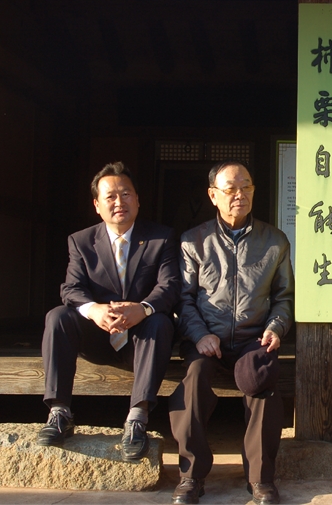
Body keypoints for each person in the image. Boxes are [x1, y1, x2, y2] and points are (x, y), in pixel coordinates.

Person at [169, 161, 294, 505]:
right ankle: (191, 476)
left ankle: (260, 479)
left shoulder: (275, 241)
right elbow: (183, 300)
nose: (240, 195)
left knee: (263, 383)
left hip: (254, 338)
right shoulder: (193, 241)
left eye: (247, 187)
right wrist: (199, 334)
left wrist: (275, 327)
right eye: (231, 189)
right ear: (213, 195)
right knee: (193, 381)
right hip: (206, 339)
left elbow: (284, 298)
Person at [38, 161, 180, 461]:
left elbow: (169, 286)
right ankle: (59, 412)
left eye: (126, 194)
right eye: (111, 197)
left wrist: (143, 309)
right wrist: (95, 311)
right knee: (57, 317)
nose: (119, 202)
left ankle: (137, 419)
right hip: (98, 338)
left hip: (142, 340)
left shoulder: (161, 237)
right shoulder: (81, 241)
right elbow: (71, 288)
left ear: (137, 199)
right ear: (97, 205)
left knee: (160, 322)